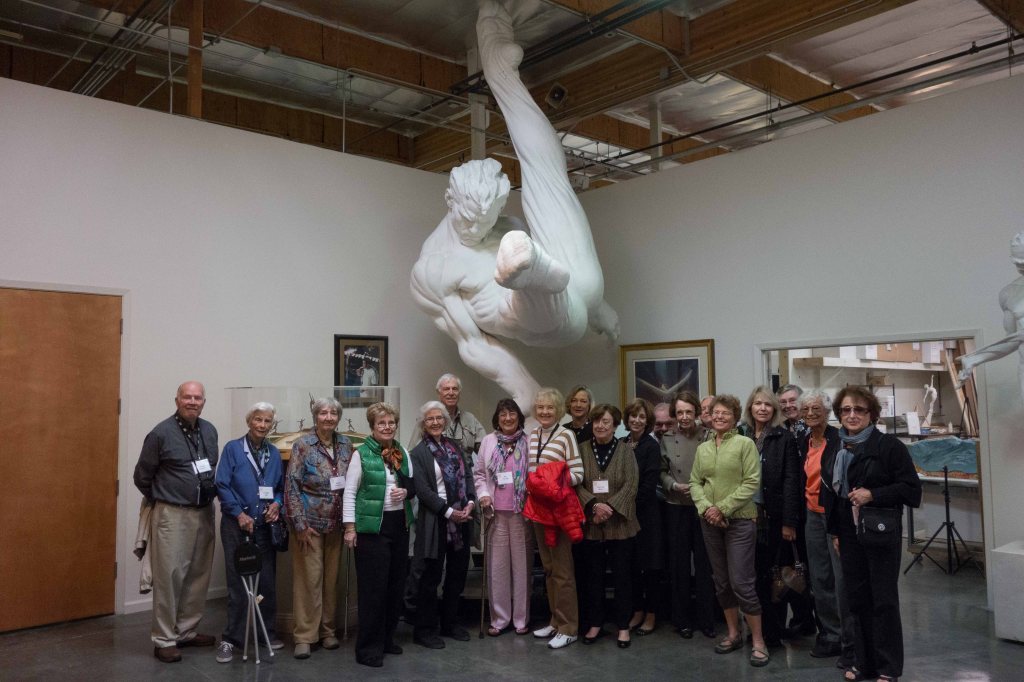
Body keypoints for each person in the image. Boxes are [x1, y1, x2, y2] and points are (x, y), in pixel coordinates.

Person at [409, 0, 620, 411]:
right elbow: (473, 345)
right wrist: (529, 392)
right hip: (544, 323)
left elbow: (510, 216)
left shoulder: (503, 225)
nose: (480, 229)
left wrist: (600, 307)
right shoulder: (431, 271)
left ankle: (499, 70)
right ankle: (532, 270)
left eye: (488, 220)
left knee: (547, 171)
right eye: (471, 221)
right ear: (450, 202)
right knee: (525, 287)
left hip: (579, 286)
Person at [819, 387, 922, 682]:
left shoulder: (889, 446)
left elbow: (911, 490)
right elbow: (831, 494)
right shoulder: (836, 446)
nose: (852, 415)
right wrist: (835, 532)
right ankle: (864, 663)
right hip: (848, 533)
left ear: (872, 414)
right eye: (846, 409)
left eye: (859, 409)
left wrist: (873, 494)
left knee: (883, 600)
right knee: (858, 598)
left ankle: (888, 667)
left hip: (880, 533)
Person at [133, 381, 219, 663]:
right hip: (172, 514)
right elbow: (142, 476)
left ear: (204, 402)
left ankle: (186, 631)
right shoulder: (160, 433)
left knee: (198, 574)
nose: (192, 402)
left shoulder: (209, 430)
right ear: (177, 400)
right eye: (187, 397)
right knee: (169, 577)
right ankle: (164, 639)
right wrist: (166, 497)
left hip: (204, 512)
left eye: (197, 398)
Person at [690, 394, 769, 668]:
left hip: (740, 521)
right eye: (716, 412)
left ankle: (758, 641)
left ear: (735, 417)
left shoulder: (745, 444)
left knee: (741, 582)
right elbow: (695, 482)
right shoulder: (703, 448)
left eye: (726, 413)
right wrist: (706, 508)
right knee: (722, 582)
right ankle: (734, 634)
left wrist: (722, 508)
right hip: (709, 522)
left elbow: (752, 482)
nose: (720, 416)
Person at [343, 402, 414, 668]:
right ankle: (368, 648)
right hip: (372, 529)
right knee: (373, 591)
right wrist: (350, 528)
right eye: (381, 423)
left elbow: (412, 485)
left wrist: (406, 492)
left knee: (395, 587)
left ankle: (386, 639)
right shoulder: (361, 454)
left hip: (399, 525)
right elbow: (350, 492)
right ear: (372, 427)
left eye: (391, 422)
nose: (387, 427)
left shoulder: (402, 451)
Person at [214, 402, 285, 663]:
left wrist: (277, 504)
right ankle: (231, 639)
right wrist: (238, 514)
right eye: (258, 419)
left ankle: (267, 632)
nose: (262, 425)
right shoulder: (233, 449)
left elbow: (280, 488)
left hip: (264, 527)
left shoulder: (274, 453)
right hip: (237, 526)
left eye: (267, 421)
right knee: (238, 584)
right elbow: (222, 484)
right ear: (249, 421)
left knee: (266, 582)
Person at [284, 397, 353, 659]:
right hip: (309, 526)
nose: (328, 417)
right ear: (315, 416)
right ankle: (304, 636)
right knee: (308, 581)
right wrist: (299, 524)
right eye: (323, 413)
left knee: (331, 580)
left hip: (336, 524)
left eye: (333, 413)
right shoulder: (303, 445)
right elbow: (292, 486)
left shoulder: (346, 444)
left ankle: (327, 631)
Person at [742, 386, 805, 648]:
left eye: (768, 404)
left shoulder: (784, 438)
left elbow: (792, 481)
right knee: (752, 576)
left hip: (774, 517)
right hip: (745, 515)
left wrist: (789, 522)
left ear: (774, 409)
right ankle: (756, 628)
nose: (763, 408)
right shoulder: (742, 435)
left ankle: (774, 632)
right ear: (750, 407)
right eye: (758, 403)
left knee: (774, 576)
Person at [410, 401, 476, 649]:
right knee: (430, 577)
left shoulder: (455, 446)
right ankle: (425, 630)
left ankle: (450, 623)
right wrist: (448, 512)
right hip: (435, 521)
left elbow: (467, 475)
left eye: (439, 418)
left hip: (462, 519)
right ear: (423, 423)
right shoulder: (418, 453)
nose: (435, 422)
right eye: (430, 419)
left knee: (457, 574)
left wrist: (470, 502)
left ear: (445, 421)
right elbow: (422, 490)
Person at [797, 389, 855, 664]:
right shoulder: (803, 440)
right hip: (812, 515)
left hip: (836, 517)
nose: (810, 413)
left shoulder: (840, 439)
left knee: (841, 579)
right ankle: (830, 634)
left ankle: (850, 640)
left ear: (827, 412)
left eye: (816, 409)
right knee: (820, 577)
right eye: (806, 409)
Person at [576, 404, 640, 649]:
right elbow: (575, 483)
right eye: (596, 421)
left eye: (605, 422)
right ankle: (595, 623)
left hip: (620, 524)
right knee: (593, 578)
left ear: (615, 425)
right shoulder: (582, 449)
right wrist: (594, 506)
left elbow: (631, 484)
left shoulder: (625, 451)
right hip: (592, 525)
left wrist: (609, 508)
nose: (600, 426)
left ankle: (623, 626)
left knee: (623, 578)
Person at [525, 387, 583, 649]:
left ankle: (569, 627)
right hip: (538, 510)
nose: (545, 412)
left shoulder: (567, 435)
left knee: (562, 571)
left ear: (558, 410)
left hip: (559, 511)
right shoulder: (532, 435)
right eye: (540, 407)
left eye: (550, 407)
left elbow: (578, 473)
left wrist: (553, 484)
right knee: (548, 568)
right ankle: (556, 621)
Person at [661, 391, 716, 639]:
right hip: (676, 506)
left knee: (705, 566)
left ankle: (707, 619)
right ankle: (681, 620)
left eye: (689, 412)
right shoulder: (666, 438)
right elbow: (662, 471)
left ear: (697, 413)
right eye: (680, 412)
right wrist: (673, 485)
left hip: (703, 507)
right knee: (679, 566)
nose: (684, 417)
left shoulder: (708, 435)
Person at [475, 398, 532, 636]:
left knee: (522, 568)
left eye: (512, 414)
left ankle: (521, 619)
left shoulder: (528, 441)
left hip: (521, 513)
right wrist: (483, 495)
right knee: (497, 569)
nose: (508, 418)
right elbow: (479, 474)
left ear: (519, 417)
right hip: (495, 513)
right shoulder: (488, 441)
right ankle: (499, 619)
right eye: (503, 414)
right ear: (497, 419)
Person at [956, 230, 1024, 402]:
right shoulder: (1009, 294)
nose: (1021, 267)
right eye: (1018, 263)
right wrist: (974, 359)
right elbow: (1013, 340)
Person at [623, 398, 664, 637]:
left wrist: (623, 503)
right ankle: (637, 611)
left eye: (642, 417)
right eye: (633, 416)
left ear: (647, 421)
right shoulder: (622, 443)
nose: (637, 420)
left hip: (646, 517)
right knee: (631, 568)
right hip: (624, 518)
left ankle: (651, 614)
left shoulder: (651, 446)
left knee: (650, 569)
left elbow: (648, 486)